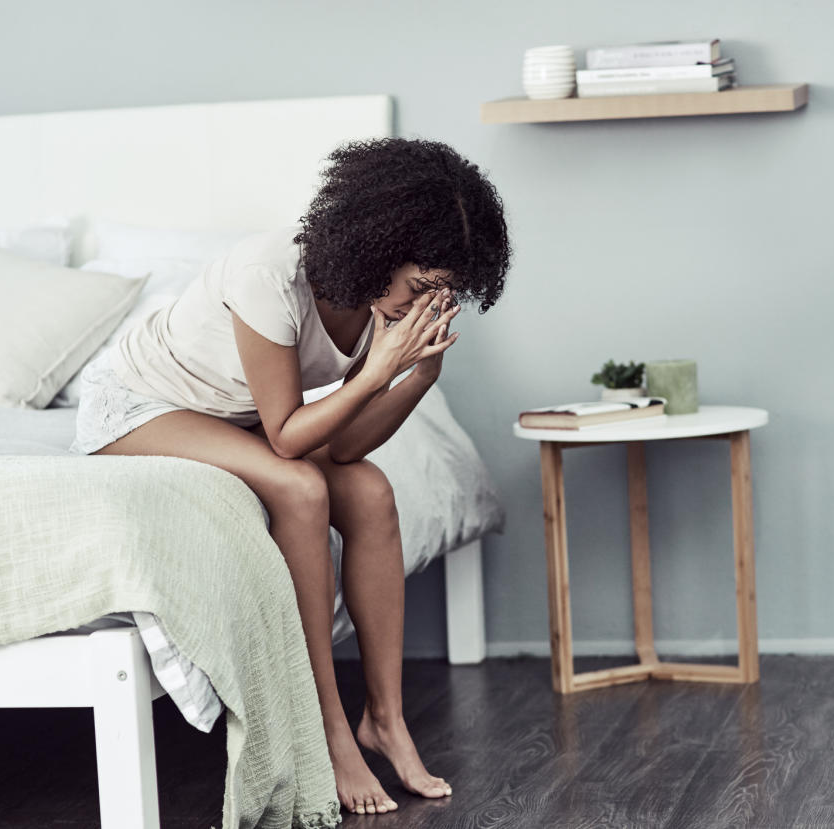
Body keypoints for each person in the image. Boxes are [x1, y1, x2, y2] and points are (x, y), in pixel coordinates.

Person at [69, 137, 511, 816]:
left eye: (444, 292)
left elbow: (345, 446)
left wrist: (419, 373)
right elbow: (286, 436)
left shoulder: (386, 303)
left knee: (369, 490)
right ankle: (328, 729)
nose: (426, 304)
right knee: (298, 489)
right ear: (375, 244)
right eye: (420, 287)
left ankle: (384, 720)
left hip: (233, 414)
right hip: (140, 406)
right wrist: (376, 368)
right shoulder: (267, 273)